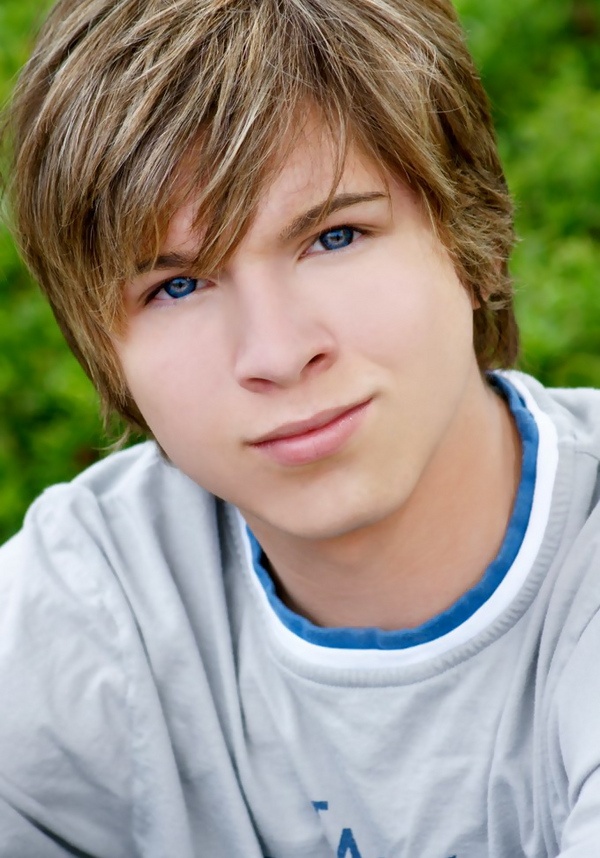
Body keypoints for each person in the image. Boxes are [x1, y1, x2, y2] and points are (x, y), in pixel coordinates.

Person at [1, 0, 599, 855]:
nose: (277, 352)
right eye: (177, 286)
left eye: (335, 236)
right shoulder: (94, 601)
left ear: (469, 236)